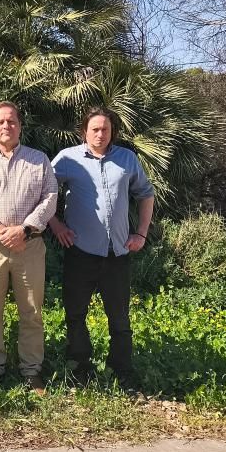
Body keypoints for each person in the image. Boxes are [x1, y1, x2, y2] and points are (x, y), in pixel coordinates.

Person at [49, 107, 155, 390]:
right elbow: (43, 191)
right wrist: (56, 226)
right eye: (94, 129)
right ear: (84, 131)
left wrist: (141, 233)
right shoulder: (68, 159)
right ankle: (80, 369)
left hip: (117, 253)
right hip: (80, 251)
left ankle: (121, 372)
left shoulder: (127, 159)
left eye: (105, 129)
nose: (99, 133)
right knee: (75, 314)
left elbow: (146, 194)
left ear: (113, 132)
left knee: (119, 318)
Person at [0, 101, 57, 392]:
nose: (6, 126)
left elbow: (50, 197)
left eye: (12, 121)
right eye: (0, 121)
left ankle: (31, 371)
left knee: (32, 310)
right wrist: (2, 230)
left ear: (20, 125)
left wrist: (24, 229)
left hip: (29, 246)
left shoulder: (38, 160)